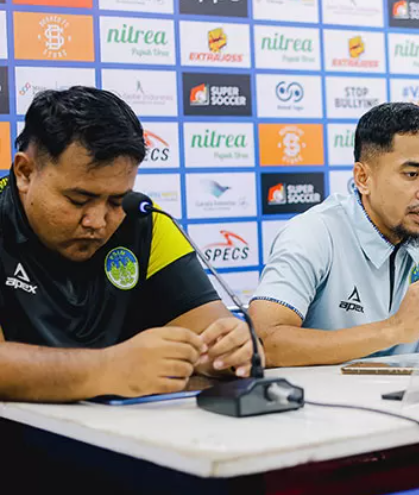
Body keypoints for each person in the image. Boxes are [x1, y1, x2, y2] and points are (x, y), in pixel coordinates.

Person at [0, 87, 259, 402]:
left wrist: (228, 354)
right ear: (25, 173)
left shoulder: (144, 220)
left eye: (115, 201)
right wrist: (107, 369)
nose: (97, 221)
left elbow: (213, 338)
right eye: (78, 199)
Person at [249, 103, 419, 366]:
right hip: (321, 409)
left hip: (406, 401)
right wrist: (395, 329)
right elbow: (266, 343)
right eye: (411, 174)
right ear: (363, 178)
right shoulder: (313, 233)